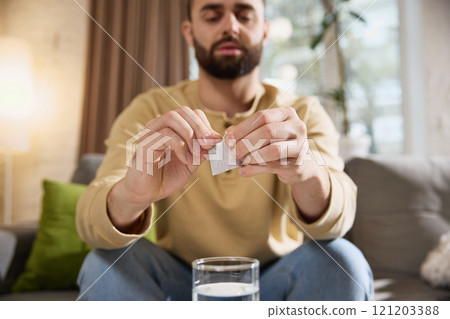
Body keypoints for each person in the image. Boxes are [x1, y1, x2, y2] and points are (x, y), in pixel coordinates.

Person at [76, 0, 373, 301]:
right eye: (213, 16)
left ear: (265, 31)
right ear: (189, 33)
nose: (230, 26)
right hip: (178, 280)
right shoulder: (151, 110)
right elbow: (90, 227)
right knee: (104, 263)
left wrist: (307, 172)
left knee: (343, 260)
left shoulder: (301, 114)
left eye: (244, 15)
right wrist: (132, 196)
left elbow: (340, 219)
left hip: (278, 279)